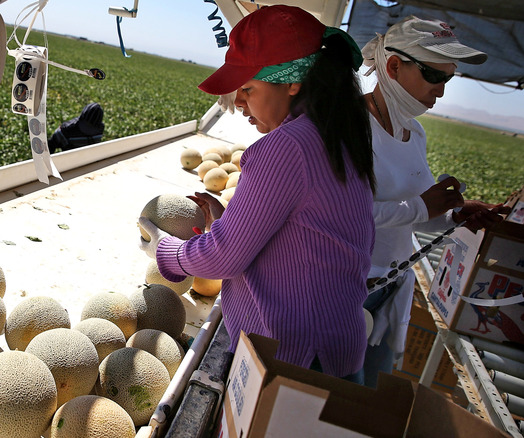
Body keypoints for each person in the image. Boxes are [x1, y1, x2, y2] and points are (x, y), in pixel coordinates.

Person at [138, 5, 376, 382]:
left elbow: (224, 259)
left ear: (292, 82)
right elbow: (307, 240)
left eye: (248, 89)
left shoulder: (286, 146)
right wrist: (228, 221)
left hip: (293, 360)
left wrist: (165, 251)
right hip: (332, 353)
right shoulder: (338, 138)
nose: (240, 101)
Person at [359, 16, 510, 388]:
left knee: (367, 402)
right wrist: (422, 208)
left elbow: (419, 218)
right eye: (434, 76)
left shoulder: (416, 133)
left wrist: (456, 215)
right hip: (343, 293)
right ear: (393, 66)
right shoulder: (350, 127)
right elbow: (332, 215)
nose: (440, 92)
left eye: (448, 78)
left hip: (386, 291)